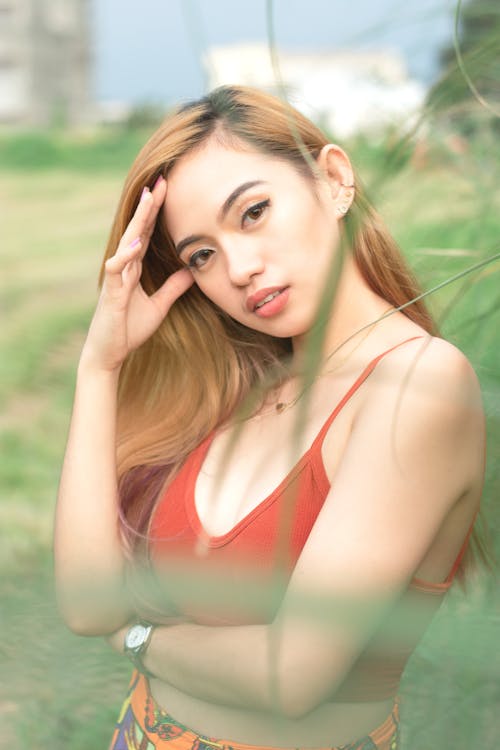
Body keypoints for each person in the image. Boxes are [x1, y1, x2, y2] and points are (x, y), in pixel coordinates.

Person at [55, 86, 486, 750]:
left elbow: (292, 675)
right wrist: (100, 366)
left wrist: (136, 634)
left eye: (253, 212)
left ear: (334, 180)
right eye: (201, 255)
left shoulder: (419, 384)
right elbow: (87, 603)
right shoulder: (240, 386)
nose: (240, 268)